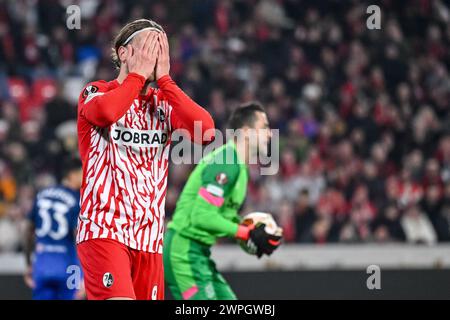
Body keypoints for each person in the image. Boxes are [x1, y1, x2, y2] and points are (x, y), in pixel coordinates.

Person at [75, 19, 214, 300]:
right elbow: (105, 114)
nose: (155, 55)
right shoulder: (96, 91)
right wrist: (137, 76)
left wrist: (166, 81)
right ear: (123, 53)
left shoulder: (163, 102)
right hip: (105, 229)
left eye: (161, 49)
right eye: (149, 46)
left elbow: (206, 131)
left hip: (150, 239)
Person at [164, 102, 282, 300]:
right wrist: (245, 232)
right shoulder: (226, 161)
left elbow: (222, 216)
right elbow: (201, 216)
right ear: (246, 132)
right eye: (264, 128)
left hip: (199, 252)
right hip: (183, 251)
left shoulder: (240, 168)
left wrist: (254, 235)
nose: (270, 134)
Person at [24, 158, 85, 300]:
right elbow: (78, 235)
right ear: (72, 174)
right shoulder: (77, 198)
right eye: (83, 172)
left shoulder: (42, 194)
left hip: (42, 265)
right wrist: (84, 273)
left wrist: (29, 263)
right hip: (69, 268)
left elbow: (27, 231)